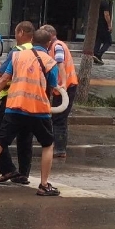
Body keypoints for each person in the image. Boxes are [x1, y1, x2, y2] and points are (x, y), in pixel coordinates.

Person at [0, 28, 61, 197]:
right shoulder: (50, 63)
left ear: (32, 41)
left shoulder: (17, 56)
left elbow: (3, 79)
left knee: (0, 141)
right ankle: (44, 185)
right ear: (48, 44)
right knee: (47, 144)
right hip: (38, 111)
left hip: (15, 107)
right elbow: (52, 89)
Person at [0, 21, 35, 184]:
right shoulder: (38, 52)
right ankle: (23, 173)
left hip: (14, 100)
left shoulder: (17, 52)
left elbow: (0, 75)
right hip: (34, 101)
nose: (14, 35)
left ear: (21, 33)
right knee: (25, 137)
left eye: (15, 32)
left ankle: (8, 170)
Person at [41, 24, 78, 158]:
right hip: (63, 88)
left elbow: (60, 65)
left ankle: (60, 149)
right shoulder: (53, 46)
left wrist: (62, 83)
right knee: (58, 118)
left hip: (66, 87)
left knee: (59, 119)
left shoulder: (57, 46)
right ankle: (58, 146)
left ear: (49, 35)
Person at [94, 0, 113, 64]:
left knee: (98, 40)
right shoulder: (105, 3)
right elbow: (106, 14)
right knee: (108, 41)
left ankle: (95, 55)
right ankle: (99, 54)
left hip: (97, 24)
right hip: (104, 25)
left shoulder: (97, 2)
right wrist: (109, 25)